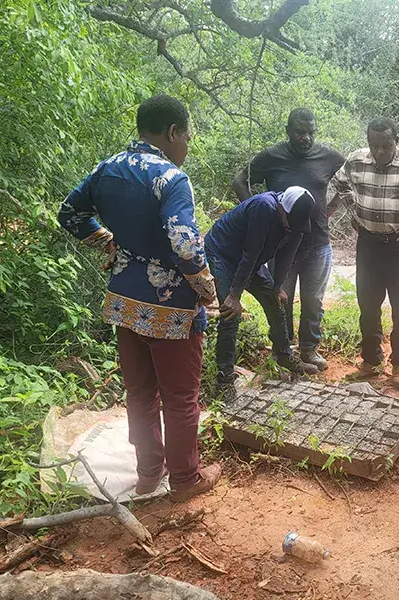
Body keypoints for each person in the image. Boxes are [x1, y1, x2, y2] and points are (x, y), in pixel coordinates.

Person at [57, 94, 220, 502]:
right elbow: (185, 246)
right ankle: (186, 480)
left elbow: (69, 213)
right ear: (172, 132)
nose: (187, 145)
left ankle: (149, 472)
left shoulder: (107, 169)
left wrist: (107, 242)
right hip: (171, 309)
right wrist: (206, 289)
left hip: (125, 300)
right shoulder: (170, 178)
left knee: (141, 392)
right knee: (181, 397)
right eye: (187, 136)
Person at [231, 108, 345, 371]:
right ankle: (282, 350)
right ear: (288, 131)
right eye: (300, 133)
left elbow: (350, 179)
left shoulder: (327, 156)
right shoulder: (272, 156)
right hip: (282, 245)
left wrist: (333, 206)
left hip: (318, 242)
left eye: (311, 133)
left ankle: (309, 350)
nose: (306, 138)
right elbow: (239, 181)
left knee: (313, 300)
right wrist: (254, 213)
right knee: (281, 297)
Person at [328, 117, 399, 389]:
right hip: (369, 244)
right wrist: (353, 210)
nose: (380, 151)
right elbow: (339, 181)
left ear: (396, 141)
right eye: (375, 146)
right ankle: (371, 361)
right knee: (368, 306)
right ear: (368, 144)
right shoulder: (356, 160)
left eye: (386, 145)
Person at [204, 186, 319, 399]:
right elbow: (250, 253)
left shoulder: (298, 224)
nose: (291, 229)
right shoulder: (263, 208)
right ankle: (224, 378)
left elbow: (287, 254)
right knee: (230, 313)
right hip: (224, 254)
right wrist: (234, 296)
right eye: (288, 223)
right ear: (282, 209)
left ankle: (283, 353)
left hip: (251, 261)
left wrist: (278, 286)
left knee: (276, 301)